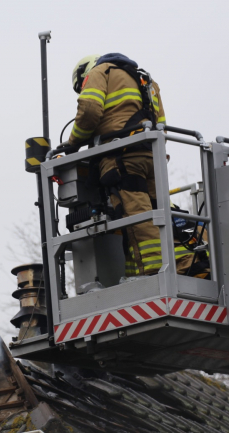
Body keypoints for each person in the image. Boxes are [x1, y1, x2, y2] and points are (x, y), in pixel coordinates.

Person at [67, 53, 167, 277]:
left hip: (123, 157)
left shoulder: (100, 72)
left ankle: (152, 274)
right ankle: (169, 267)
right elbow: (161, 124)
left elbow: (90, 112)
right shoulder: (144, 80)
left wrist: (72, 144)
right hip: (152, 156)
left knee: (136, 217)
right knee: (158, 215)